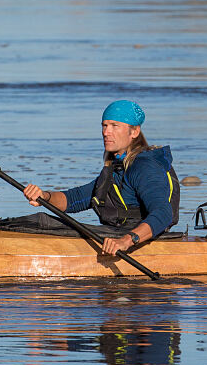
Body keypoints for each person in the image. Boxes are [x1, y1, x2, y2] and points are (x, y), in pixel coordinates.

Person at [23, 100, 180, 256]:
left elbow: (163, 213)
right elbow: (74, 199)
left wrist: (125, 241)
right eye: (104, 125)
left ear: (134, 132)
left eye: (114, 125)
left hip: (139, 242)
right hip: (118, 235)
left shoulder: (145, 166)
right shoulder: (116, 169)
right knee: (41, 221)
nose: (106, 132)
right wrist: (45, 196)